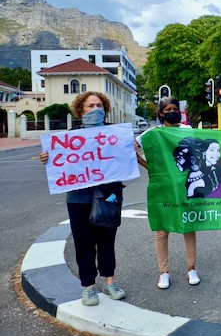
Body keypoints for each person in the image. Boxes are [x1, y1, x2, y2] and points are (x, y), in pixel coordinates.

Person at [40, 91, 127, 305]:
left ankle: (110, 282)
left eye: (99, 105)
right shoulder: (69, 138)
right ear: (81, 110)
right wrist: (48, 158)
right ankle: (88, 287)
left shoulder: (115, 133)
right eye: (90, 106)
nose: (95, 109)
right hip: (79, 200)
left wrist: (129, 151)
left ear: (105, 109)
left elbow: (122, 163)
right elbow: (61, 162)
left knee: (107, 241)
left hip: (108, 197)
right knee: (83, 243)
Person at [136, 97, 200, 289]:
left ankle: (192, 268)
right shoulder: (152, 134)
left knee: (188, 225)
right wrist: (150, 167)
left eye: (175, 108)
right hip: (161, 187)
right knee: (162, 230)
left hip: (184, 186)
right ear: (161, 113)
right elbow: (133, 149)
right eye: (168, 109)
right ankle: (164, 272)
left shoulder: (187, 130)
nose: (172, 112)